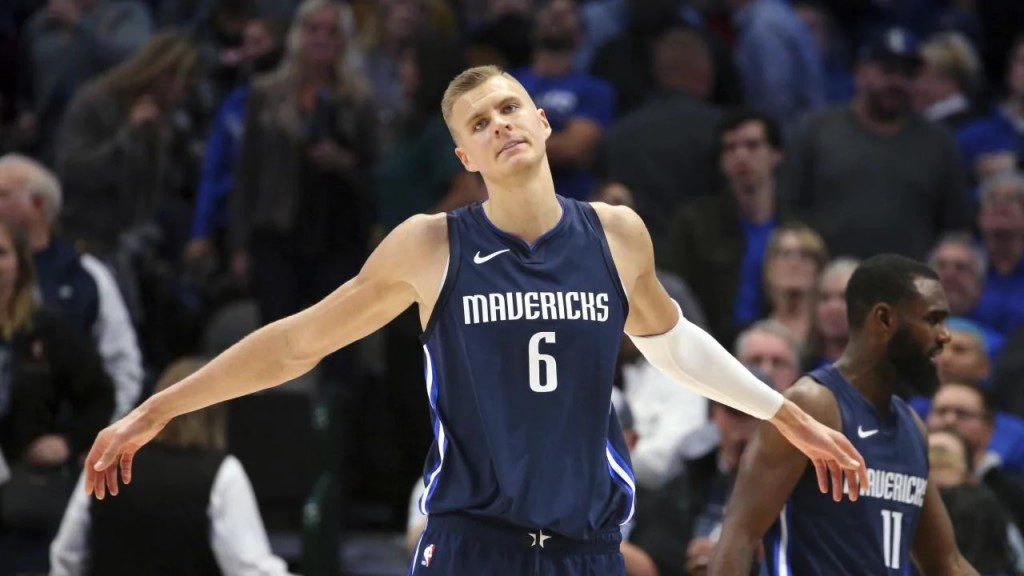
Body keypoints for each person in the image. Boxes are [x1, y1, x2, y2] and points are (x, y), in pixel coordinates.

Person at [82, 65, 866, 575]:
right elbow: (298, 341)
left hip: (588, 549)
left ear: (543, 121)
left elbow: (673, 344)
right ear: (465, 157)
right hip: (473, 546)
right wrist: (160, 407)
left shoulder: (617, 233)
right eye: (479, 123)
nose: (500, 125)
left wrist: (785, 413)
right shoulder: (431, 246)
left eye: (510, 108)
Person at [710, 254, 978, 575]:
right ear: (884, 319)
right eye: (932, 319)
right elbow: (738, 536)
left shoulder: (912, 426)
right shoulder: (812, 406)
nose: (945, 335)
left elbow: (946, 563)